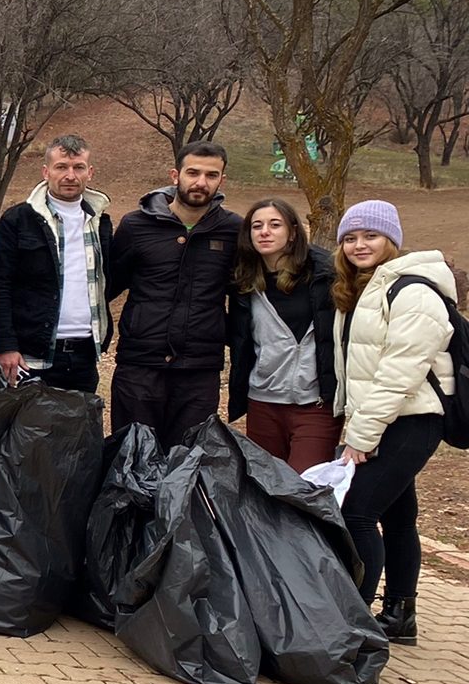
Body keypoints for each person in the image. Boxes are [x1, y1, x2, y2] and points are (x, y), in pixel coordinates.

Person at [332, 199, 457, 646]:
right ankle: (400, 615)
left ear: (393, 240)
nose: (359, 245)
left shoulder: (413, 292)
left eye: (371, 236)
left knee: (356, 514)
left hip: (409, 421)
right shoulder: (365, 288)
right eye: (350, 238)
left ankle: (353, 626)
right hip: (385, 417)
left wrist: (361, 436)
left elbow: (399, 372)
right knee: (399, 516)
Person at [106, 141, 241, 446]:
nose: (201, 182)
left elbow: (245, 292)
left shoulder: (233, 230)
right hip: (140, 366)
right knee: (131, 456)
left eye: (211, 175)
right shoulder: (136, 225)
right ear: (175, 174)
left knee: (187, 461)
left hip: (199, 371)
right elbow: (107, 286)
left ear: (222, 180)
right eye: (193, 173)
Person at [0, 133, 112, 393]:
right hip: (31, 357)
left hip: (84, 355)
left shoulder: (100, 223)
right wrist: (5, 345)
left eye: (78, 168)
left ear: (90, 173)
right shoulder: (18, 220)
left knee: (81, 420)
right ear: (46, 172)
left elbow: (109, 280)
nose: (70, 176)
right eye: (61, 167)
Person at [228, 197, 338, 473]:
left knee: (305, 485)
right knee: (267, 486)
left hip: (315, 403)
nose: (264, 232)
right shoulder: (243, 281)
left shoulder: (325, 274)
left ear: (292, 232)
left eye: (275, 225)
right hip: (263, 402)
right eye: (257, 226)